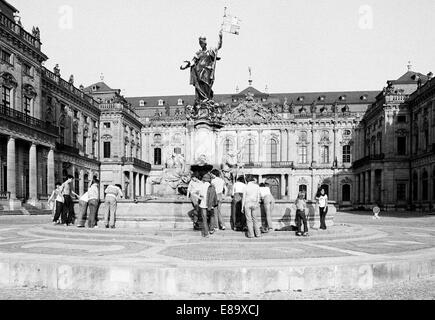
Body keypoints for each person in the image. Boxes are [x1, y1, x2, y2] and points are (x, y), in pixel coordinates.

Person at [180, 30, 223, 104]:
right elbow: (193, 61)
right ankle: (202, 101)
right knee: (199, 86)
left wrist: (220, 37)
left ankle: (206, 99)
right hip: (199, 73)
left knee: (206, 86)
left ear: (205, 42)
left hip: (207, 72)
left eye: (202, 42)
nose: (201, 44)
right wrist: (185, 66)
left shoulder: (210, 50)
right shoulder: (198, 53)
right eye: (200, 43)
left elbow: (218, 46)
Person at [198, 174, 218, 238]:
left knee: (204, 219)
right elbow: (215, 195)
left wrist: (200, 198)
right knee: (212, 216)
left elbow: (195, 193)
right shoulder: (212, 186)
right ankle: (211, 229)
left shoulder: (201, 186)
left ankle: (206, 233)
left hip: (203, 204)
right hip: (210, 204)